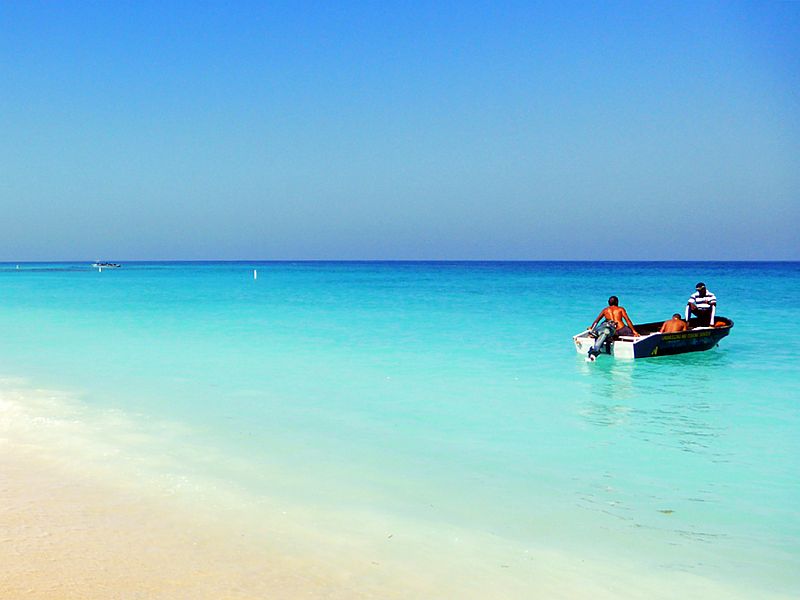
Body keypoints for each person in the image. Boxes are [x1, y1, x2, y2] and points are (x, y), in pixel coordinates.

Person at [586, 296, 640, 360]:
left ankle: (606, 340)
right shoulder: (620, 309)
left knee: (606, 329)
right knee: (630, 332)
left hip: (613, 331)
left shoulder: (605, 310)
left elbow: (596, 321)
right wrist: (634, 331)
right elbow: (627, 320)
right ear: (617, 302)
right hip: (621, 329)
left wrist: (591, 328)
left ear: (608, 302)